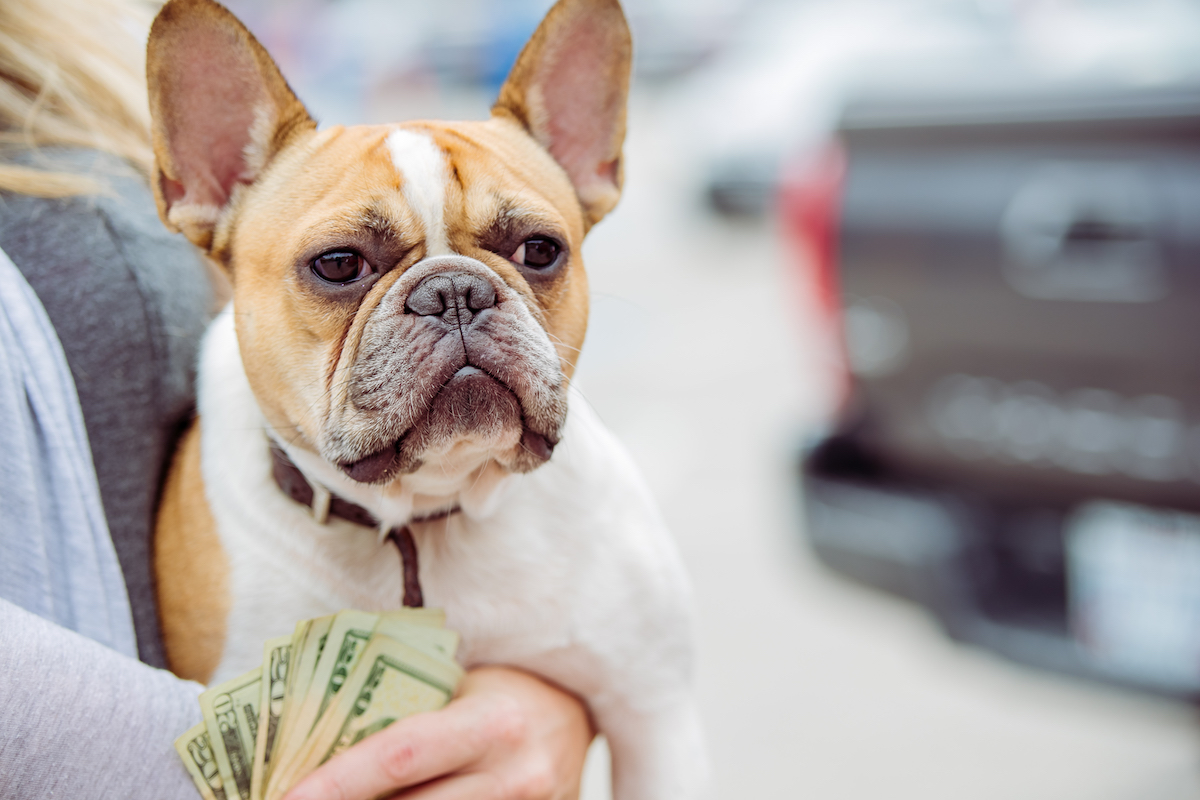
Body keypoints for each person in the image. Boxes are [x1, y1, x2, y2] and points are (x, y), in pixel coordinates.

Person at [0, 1, 593, 798]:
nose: (458, 309)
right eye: (342, 266)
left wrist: (541, 706)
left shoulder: (69, 40)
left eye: (536, 252)